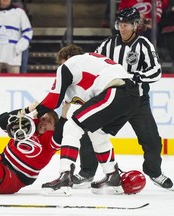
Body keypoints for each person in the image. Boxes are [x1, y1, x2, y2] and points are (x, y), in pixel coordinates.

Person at [74, 7, 173, 190]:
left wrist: (135, 77)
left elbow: (156, 71)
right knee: (90, 131)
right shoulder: (107, 45)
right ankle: (87, 171)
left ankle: (154, 172)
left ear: (136, 25)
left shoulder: (144, 44)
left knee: (151, 140)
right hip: (111, 100)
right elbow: (93, 64)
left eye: (126, 24)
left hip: (137, 102)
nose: (122, 28)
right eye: (120, 24)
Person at [32, 44, 140, 195]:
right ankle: (112, 175)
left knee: (72, 126)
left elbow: (54, 99)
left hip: (116, 92)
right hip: (131, 96)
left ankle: (65, 176)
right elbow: (84, 101)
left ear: (67, 59)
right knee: (97, 132)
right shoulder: (90, 65)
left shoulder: (70, 64)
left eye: (61, 63)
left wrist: (31, 112)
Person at [0, 0, 33, 73]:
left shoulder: (19, 13)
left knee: (14, 82)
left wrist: (19, 47)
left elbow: (28, 31)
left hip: (13, 55)